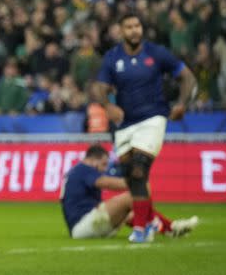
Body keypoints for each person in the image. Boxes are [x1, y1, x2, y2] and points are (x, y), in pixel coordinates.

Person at [93, 14, 197, 243]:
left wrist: (181, 103)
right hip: (124, 124)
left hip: (152, 119)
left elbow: (187, 76)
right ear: (121, 31)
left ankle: (140, 229)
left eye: (137, 26)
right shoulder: (113, 58)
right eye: (129, 26)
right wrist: (107, 106)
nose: (134, 31)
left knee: (139, 169)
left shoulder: (156, 53)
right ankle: (153, 223)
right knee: (132, 178)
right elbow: (99, 87)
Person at [60, 144, 199, 239]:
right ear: (93, 160)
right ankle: (153, 229)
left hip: (84, 225)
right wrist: (138, 182)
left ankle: (169, 228)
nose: (104, 169)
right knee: (131, 197)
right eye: (103, 164)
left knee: (137, 211)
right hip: (82, 226)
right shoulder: (84, 169)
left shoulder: (75, 171)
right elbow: (107, 183)